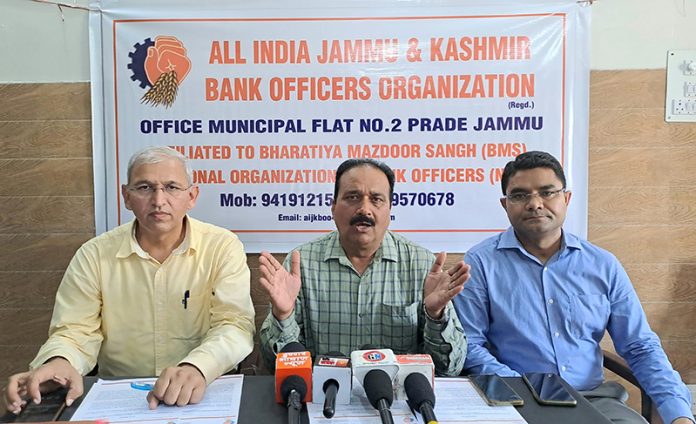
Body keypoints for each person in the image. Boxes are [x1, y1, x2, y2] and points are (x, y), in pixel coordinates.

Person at [4, 146, 255, 413]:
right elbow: (74, 331)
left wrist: (197, 367)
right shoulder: (95, 255)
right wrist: (60, 361)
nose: (159, 200)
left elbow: (234, 324)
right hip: (120, 394)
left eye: (171, 187)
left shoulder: (221, 247)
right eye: (145, 188)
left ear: (192, 196)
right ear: (126, 196)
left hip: (202, 390)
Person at [453, 151, 694, 424]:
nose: (535, 204)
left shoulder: (602, 264)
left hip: (593, 398)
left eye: (547, 192)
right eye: (520, 195)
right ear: (505, 204)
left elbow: (640, 346)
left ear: (566, 199)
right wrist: (521, 386)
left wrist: (679, 413)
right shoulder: (481, 262)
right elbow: (469, 344)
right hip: (516, 398)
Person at [258, 158, 469, 376]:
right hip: (324, 399)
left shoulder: (422, 265)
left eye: (376, 199)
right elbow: (274, 363)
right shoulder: (300, 265)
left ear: (389, 210)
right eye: (352, 197)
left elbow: (450, 368)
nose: (364, 209)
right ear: (333, 206)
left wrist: (435, 314)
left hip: (398, 401)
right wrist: (283, 316)